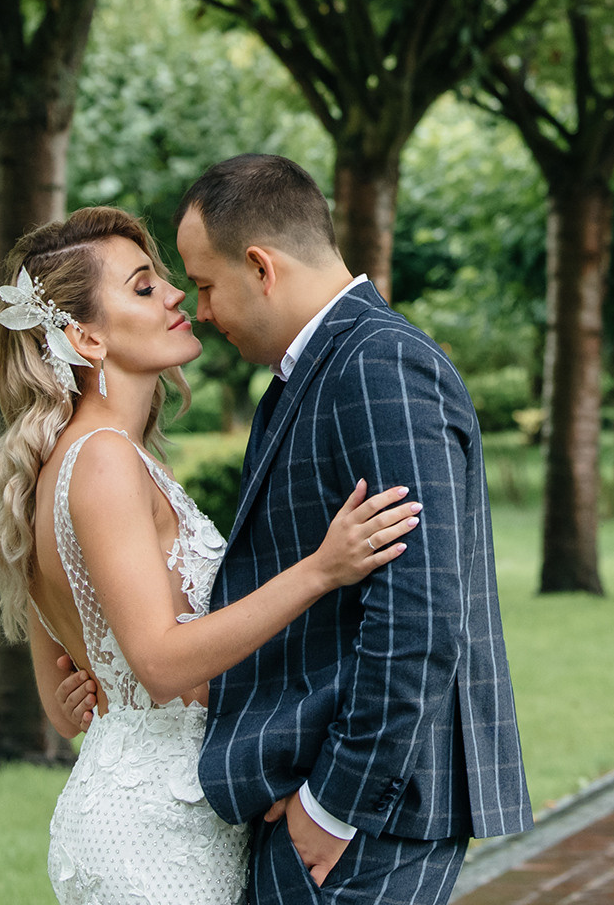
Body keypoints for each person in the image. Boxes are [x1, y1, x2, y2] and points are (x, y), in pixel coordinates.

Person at [0, 206, 423, 905]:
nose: (179, 294)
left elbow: (67, 711)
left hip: (138, 809)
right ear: (87, 336)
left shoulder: (60, 465)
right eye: (146, 286)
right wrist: (321, 570)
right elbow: (158, 663)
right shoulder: (103, 464)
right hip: (160, 840)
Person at [177, 155, 532, 905]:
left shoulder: (380, 366)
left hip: (367, 818)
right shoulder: (316, 369)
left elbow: (421, 612)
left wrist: (334, 805)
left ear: (260, 267)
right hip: (328, 802)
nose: (200, 312)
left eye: (205, 286)